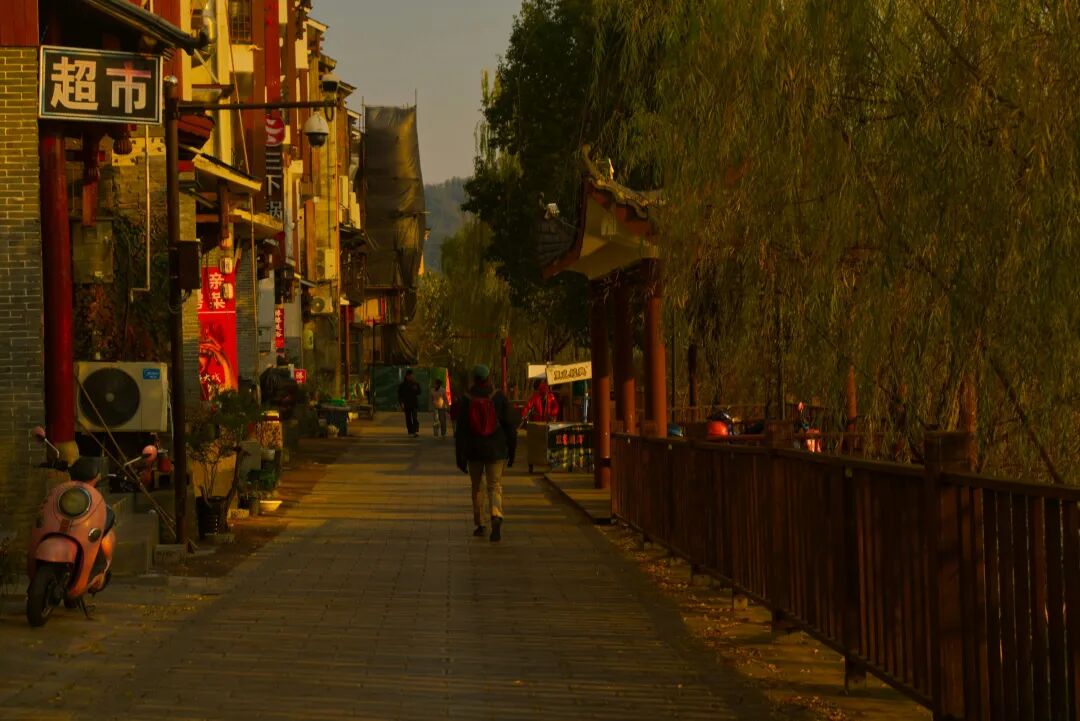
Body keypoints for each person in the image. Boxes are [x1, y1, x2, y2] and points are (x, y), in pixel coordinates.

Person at [454, 364, 517, 542]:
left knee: (477, 487)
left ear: (474, 378)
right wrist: (512, 451)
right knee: (494, 485)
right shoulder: (498, 397)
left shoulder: (467, 398)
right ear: (489, 378)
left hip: (474, 450)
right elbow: (510, 426)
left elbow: (461, 430)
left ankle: (480, 524)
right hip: (496, 450)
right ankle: (496, 515)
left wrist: (459, 456)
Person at [397, 368, 422, 437]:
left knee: (414, 417)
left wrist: (416, 389)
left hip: (414, 403)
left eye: (412, 376)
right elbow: (400, 395)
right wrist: (401, 403)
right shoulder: (402, 385)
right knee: (408, 418)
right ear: (406, 376)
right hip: (406, 404)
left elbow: (419, 392)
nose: (411, 377)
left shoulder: (415, 384)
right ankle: (410, 431)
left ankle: (415, 431)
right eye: (409, 376)